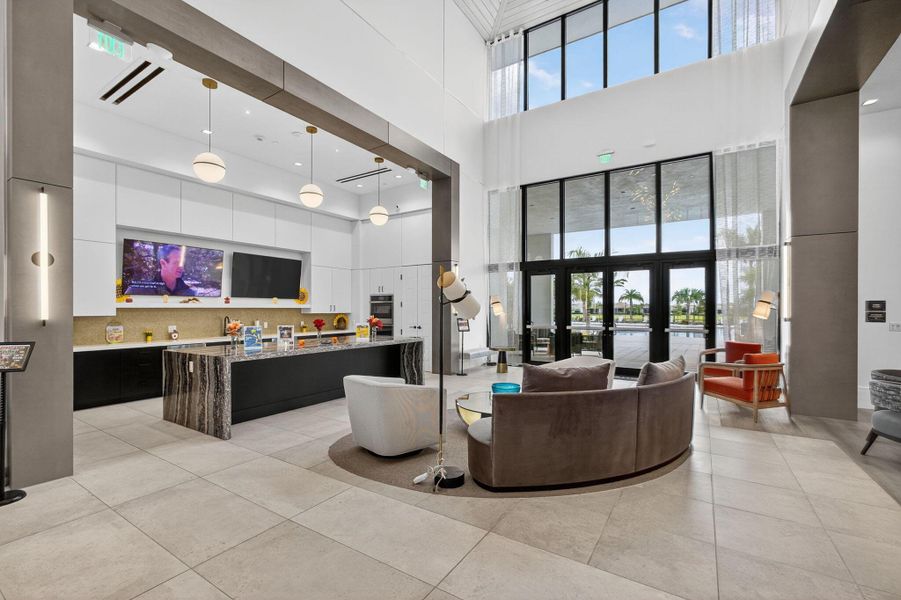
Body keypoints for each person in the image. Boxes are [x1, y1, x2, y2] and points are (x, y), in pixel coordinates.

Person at [124, 244, 196, 296]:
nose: (181, 266)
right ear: (163, 263)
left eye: (182, 263)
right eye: (176, 262)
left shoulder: (190, 293)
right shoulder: (138, 290)